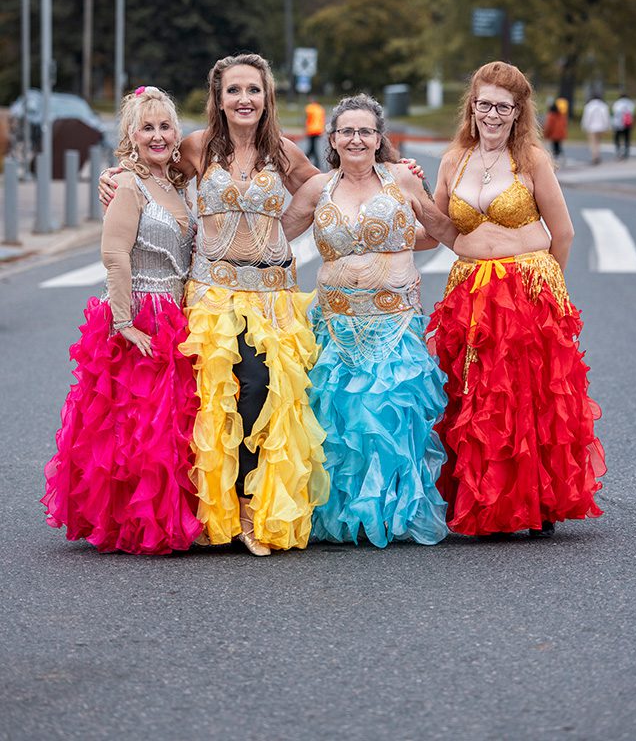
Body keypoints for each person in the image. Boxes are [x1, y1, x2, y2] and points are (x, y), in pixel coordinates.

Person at [101, 54, 329, 555]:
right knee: (212, 401)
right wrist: (114, 178)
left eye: (254, 90)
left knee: (261, 392)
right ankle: (211, 510)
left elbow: (323, 185)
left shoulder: (282, 152)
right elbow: (153, 170)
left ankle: (249, 507)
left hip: (271, 297)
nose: (244, 99)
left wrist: (285, 231)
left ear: (267, 97)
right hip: (211, 294)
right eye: (234, 91)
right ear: (218, 99)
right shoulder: (199, 147)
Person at [427, 61, 606, 539]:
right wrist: (405, 194)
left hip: (526, 288)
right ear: (472, 106)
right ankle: (488, 497)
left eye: (502, 107)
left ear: (517, 111)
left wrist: (549, 289)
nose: (492, 114)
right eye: (484, 104)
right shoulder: (452, 161)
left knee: (527, 395)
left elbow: (562, 232)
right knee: (480, 397)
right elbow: (443, 229)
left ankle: (538, 499)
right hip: (470, 289)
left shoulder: (530, 160)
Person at [282, 94, 456, 547]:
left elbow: (439, 230)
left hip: (394, 321)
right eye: (347, 132)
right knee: (340, 422)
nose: (356, 139)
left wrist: (500, 246)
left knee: (392, 418)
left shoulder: (401, 179)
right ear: (333, 140)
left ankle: (394, 514)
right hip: (336, 324)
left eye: (366, 131)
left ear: (380, 139)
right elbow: (273, 235)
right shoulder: (318, 188)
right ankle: (343, 516)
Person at [42, 87, 202, 554]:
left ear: (177, 133)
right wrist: (123, 323)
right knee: (137, 426)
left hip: (177, 312)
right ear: (131, 135)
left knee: (171, 423)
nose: (158, 135)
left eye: (165, 126)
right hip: (141, 314)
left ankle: (168, 514)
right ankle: (134, 521)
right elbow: (113, 255)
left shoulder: (175, 183)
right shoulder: (128, 183)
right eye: (147, 127)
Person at [580, 92, 610, 164]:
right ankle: (598, 155)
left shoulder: (589, 106)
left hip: (592, 127)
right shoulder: (603, 106)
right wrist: (607, 126)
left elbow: (587, 118)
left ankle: (594, 156)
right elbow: (605, 117)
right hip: (601, 127)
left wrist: (584, 126)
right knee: (598, 142)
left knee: (593, 143)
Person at [542, 98, 568, 162]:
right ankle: (561, 157)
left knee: (555, 147)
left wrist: (545, 134)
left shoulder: (551, 115)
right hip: (561, 133)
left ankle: (556, 159)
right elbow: (565, 123)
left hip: (554, 134)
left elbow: (549, 126)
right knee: (558, 146)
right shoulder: (561, 114)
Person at [304, 96, 326, 169]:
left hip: (311, 129)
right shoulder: (320, 108)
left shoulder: (309, 108)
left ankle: (305, 160)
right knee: (313, 147)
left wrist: (305, 128)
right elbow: (322, 120)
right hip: (318, 129)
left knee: (312, 147)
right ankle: (316, 163)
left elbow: (308, 119)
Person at [611, 91, 635, 159]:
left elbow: (615, 113)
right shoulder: (630, 103)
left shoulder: (617, 103)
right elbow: (632, 113)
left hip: (618, 123)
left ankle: (618, 151)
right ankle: (626, 152)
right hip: (627, 123)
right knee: (627, 137)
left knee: (617, 138)